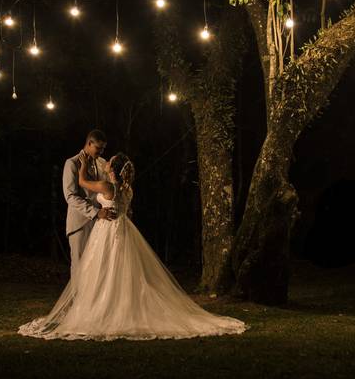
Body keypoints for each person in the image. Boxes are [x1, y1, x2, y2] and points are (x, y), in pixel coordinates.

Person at [18, 152, 248, 341]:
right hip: (123, 229)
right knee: (123, 270)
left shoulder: (108, 187)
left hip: (107, 230)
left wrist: (83, 166)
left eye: (109, 163)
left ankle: (105, 309)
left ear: (112, 170)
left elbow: (81, 183)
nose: (106, 162)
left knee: (103, 269)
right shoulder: (127, 189)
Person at [63, 130, 117, 277]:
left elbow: (108, 190)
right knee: (80, 266)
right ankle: (78, 300)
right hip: (80, 222)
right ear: (89, 143)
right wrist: (95, 212)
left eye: (103, 149)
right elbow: (70, 196)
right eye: (98, 148)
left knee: (97, 267)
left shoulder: (103, 163)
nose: (101, 152)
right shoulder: (72, 163)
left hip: (101, 223)